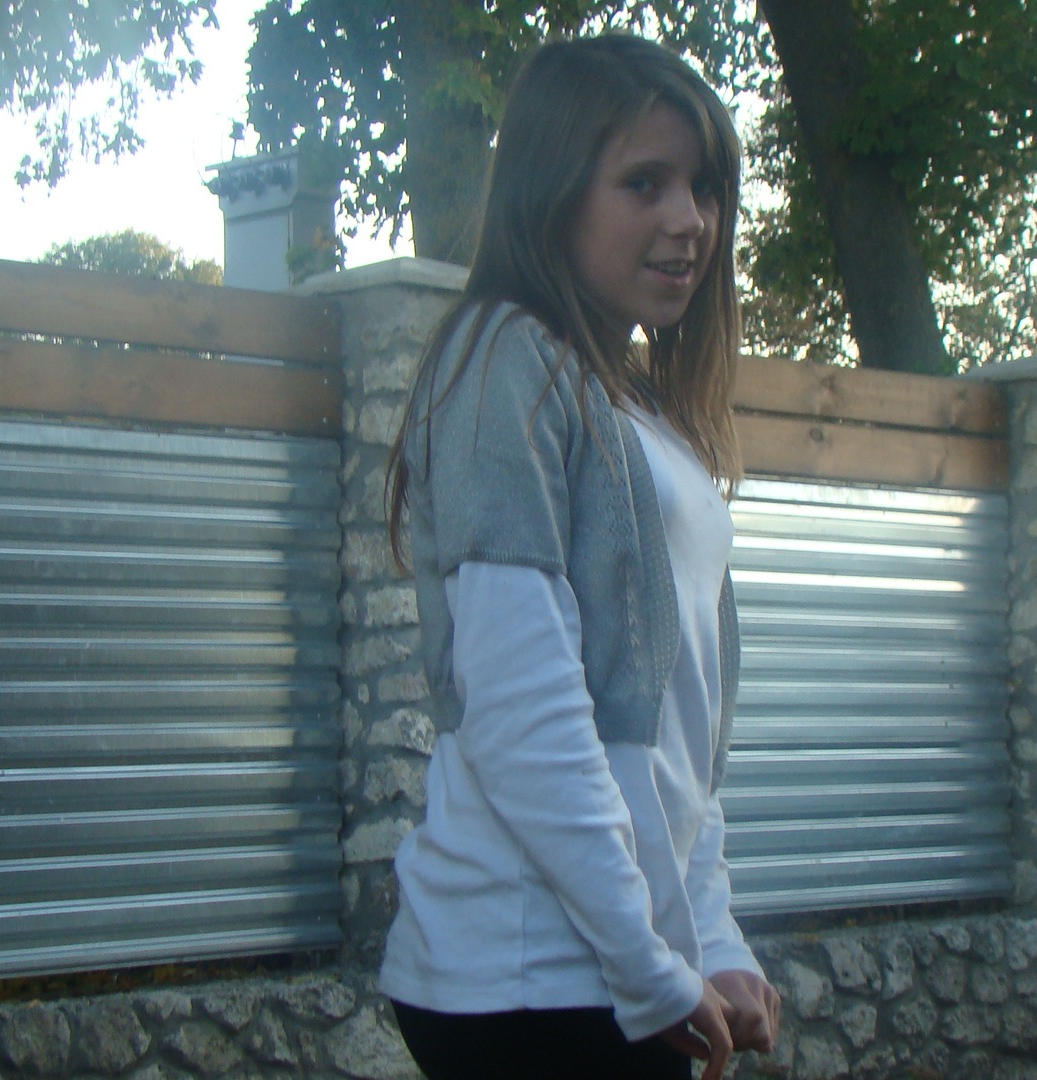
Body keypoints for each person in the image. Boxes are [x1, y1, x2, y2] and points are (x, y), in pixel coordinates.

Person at [377, 33, 782, 1080]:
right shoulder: (504, 360)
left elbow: (683, 735)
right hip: (529, 975)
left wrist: (713, 938)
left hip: (609, 968)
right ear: (553, 192)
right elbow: (524, 709)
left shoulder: (637, 409)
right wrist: (649, 964)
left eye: (703, 188)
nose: (690, 220)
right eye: (645, 183)